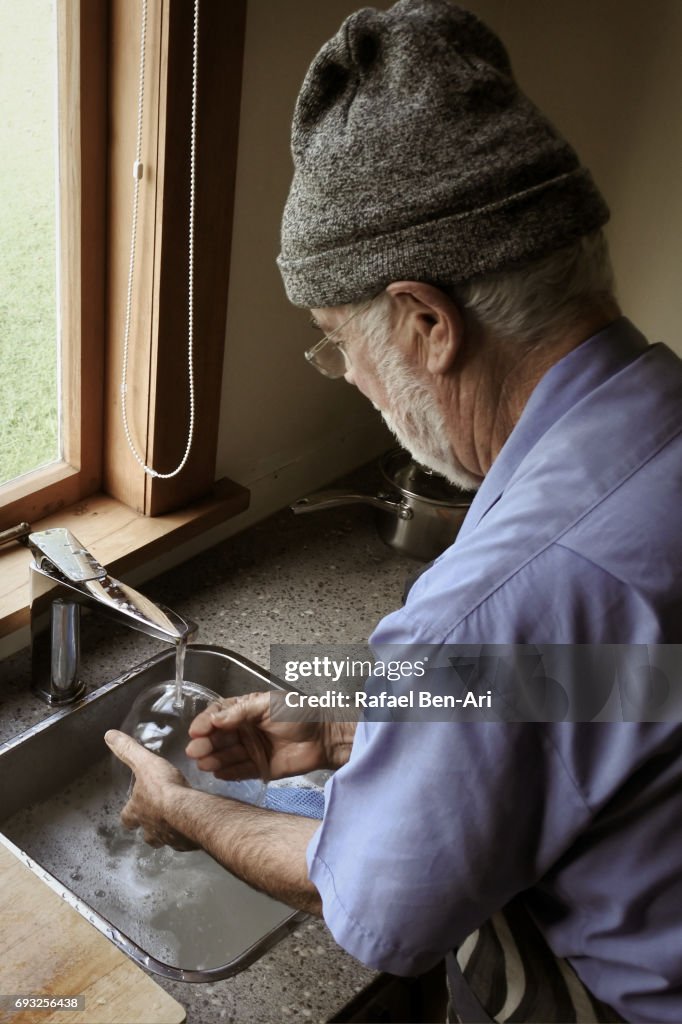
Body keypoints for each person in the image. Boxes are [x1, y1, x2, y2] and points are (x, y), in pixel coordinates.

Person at [106, 1, 682, 1021]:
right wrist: (340, 720)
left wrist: (183, 808)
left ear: (426, 324)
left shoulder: (495, 598)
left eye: (337, 339)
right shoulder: (657, 433)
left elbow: (375, 909)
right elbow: (623, 681)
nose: (346, 376)